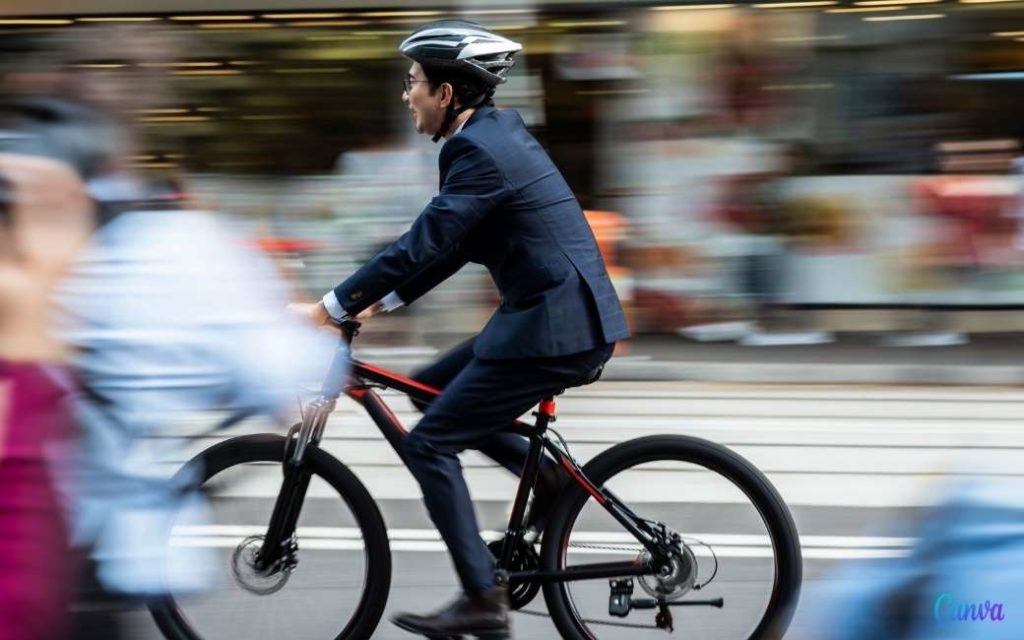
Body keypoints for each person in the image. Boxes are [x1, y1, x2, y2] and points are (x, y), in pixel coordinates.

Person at [291, 20, 629, 640]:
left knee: (429, 444)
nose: (406, 94)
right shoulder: (492, 137)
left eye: (414, 82)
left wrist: (328, 308)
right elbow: (451, 246)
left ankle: (481, 598)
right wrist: (372, 305)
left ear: (447, 94)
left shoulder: (476, 150)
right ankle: (551, 484)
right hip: (550, 318)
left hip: (555, 327)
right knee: (429, 392)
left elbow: (424, 239)